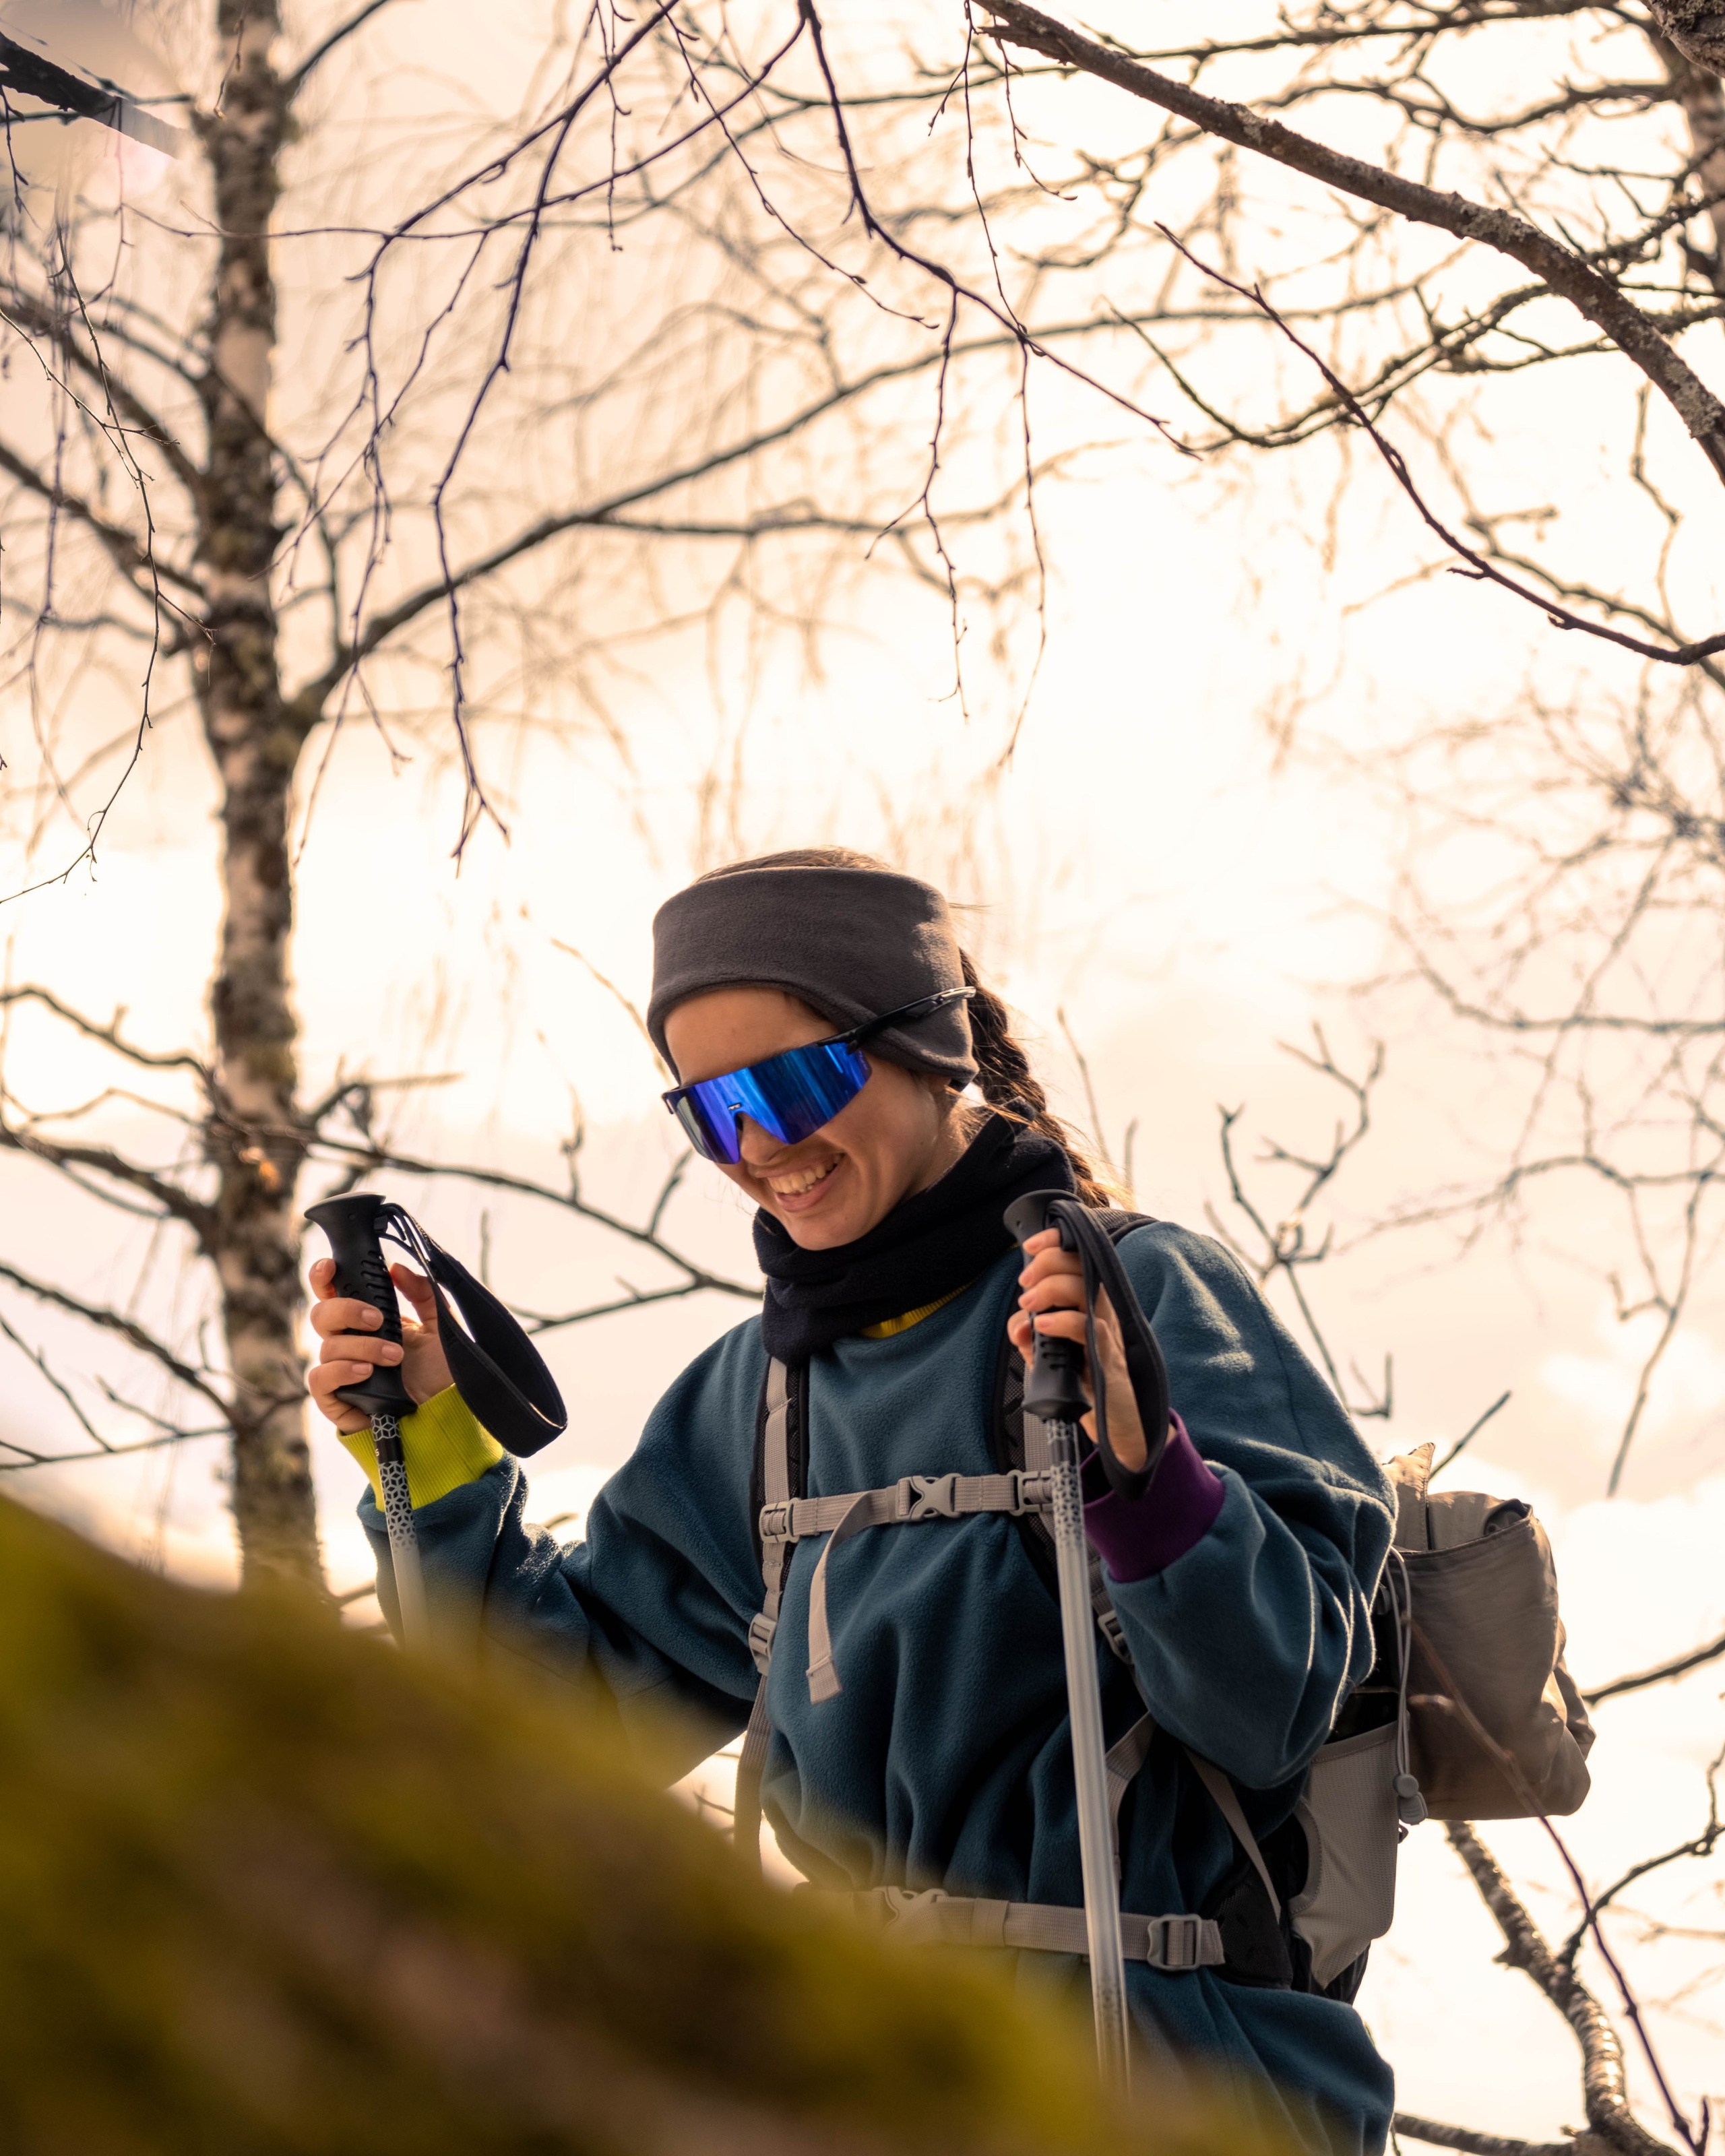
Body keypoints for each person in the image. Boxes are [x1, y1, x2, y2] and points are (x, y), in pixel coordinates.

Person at [308, 848, 1398, 2153]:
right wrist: (424, 1435)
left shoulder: (1143, 1300)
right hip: (877, 2093)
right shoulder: (758, 1405)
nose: (761, 1145)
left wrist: (1137, 1469)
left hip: (1177, 2097)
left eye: (794, 1079)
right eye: (711, 1112)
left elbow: (1273, 1703)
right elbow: (535, 1729)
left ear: (929, 1045)